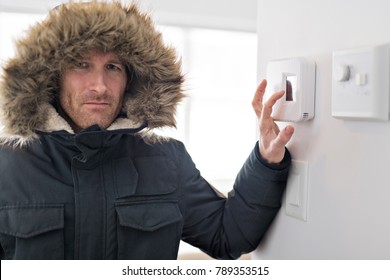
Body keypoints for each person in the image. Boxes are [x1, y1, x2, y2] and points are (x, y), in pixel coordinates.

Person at [0, 1, 294, 260]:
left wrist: (267, 160)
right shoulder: (7, 163)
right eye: (81, 65)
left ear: (132, 78)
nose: (99, 86)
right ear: (53, 76)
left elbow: (227, 236)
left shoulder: (166, 160)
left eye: (113, 67)